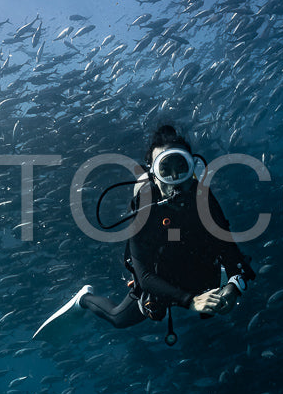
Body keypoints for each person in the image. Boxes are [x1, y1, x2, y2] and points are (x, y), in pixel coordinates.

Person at [34, 124, 255, 345]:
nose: (175, 178)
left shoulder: (203, 199)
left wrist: (233, 288)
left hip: (198, 270)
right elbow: (145, 276)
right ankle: (84, 299)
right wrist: (191, 301)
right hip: (160, 279)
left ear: (193, 169)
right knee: (119, 318)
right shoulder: (146, 206)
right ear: (154, 175)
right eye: (165, 170)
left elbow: (232, 254)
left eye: (182, 167)